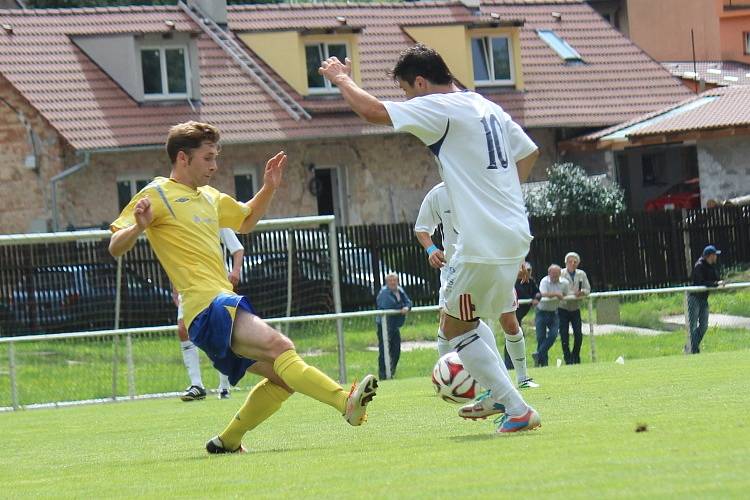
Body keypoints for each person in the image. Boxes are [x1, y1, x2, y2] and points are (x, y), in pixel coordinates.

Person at [109, 121, 377, 454]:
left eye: (215, 157)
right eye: (207, 158)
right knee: (281, 345)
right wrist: (138, 227)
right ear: (183, 158)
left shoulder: (209, 197)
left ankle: (228, 440)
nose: (214, 165)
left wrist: (269, 187)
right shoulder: (156, 193)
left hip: (217, 306)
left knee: (282, 378)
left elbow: (247, 219)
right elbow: (115, 246)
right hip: (207, 307)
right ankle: (345, 402)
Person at [320, 44, 541, 433]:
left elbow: (372, 111)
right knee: (466, 320)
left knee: (454, 331)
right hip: (513, 232)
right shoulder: (486, 106)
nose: (408, 101)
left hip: (482, 240)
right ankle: (497, 392)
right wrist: (500, 194)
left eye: (407, 91)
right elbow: (529, 153)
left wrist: (341, 79)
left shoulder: (440, 107)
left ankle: (515, 406)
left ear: (421, 82)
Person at [414, 182, 538, 389]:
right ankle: (448, 379)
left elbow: (510, 226)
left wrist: (518, 260)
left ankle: (522, 378)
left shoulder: (486, 186)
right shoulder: (438, 193)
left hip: (493, 263)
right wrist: (431, 249)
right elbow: (421, 228)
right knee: (448, 323)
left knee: (508, 321)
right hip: (456, 268)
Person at [177, 228, 244, 401]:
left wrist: (236, 271)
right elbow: (174, 258)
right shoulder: (179, 220)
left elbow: (237, 248)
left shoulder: (214, 214)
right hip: (189, 286)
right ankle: (197, 385)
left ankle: (224, 385)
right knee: (183, 329)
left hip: (214, 285)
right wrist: (174, 287)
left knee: (218, 331)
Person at [687, 245, 724, 354]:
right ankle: (693, 349)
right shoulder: (699, 266)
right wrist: (715, 284)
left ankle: (690, 346)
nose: (716, 257)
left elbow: (716, 279)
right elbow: (700, 282)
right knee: (692, 325)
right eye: (715, 255)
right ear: (710, 256)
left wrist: (720, 282)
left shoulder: (711, 266)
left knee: (704, 325)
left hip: (704, 299)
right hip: (694, 298)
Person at [375, 273, 412, 379]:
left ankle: (391, 373)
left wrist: (407, 307)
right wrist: (404, 307)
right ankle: (383, 376)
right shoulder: (384, 293)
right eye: (390, 280)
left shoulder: (399, 290)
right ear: (386, 282)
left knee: (396, 350)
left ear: (398, 281)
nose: (392, 282)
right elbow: (391, 306)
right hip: (384, 326)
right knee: (384, 351)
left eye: (394, 280)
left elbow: (408, 302)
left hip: (394, 326)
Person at [533, 264, 570, 367]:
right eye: (552, 274)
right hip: (541, 312)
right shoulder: (544, 281)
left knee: (553, 335)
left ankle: (538, 354)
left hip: (554, 312)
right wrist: (556, 294)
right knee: (540, 337)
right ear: (549, 273)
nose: (554, 276)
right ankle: (543, 363)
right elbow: (542, 294)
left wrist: (562, 295)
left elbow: (566, 294)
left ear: (560, 274)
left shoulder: (564, 283)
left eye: (557, 274)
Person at [558, 252, 591, 365]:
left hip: (575, 307)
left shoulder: (581, 274)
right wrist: (573, 293)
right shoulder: (561, 274)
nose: (573, 264)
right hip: (563, 308)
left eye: (575, 262)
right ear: (566, 262)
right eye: (570, 261)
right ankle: (567, 358)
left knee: (578, 334)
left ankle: (575, 356)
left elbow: (588, 289)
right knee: (564, 334)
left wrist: (582, 292)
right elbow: (558, 289)